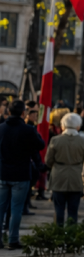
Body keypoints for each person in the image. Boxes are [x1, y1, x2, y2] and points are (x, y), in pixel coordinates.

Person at [0, 100, 44, 249]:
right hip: (21, 174)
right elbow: (41, 145)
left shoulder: (1, 129)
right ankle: (13, 239)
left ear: (8, 112)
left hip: (3, 173)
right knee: (16, 209)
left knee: (1, 208)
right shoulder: (28, 130)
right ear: (23, 113)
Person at [45, 113, 84, 225]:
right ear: (78, 126)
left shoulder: (55, 140)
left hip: (59, 176)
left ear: (63, 126)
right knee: (73, 210)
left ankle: (57, 233)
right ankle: (71, 235)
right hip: (76, 177)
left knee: (58, 208)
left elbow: (48, 161)